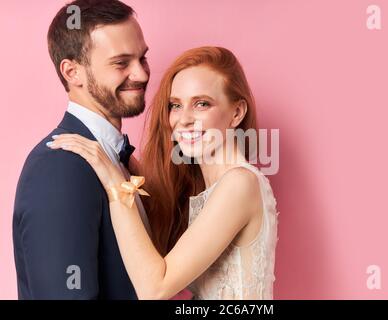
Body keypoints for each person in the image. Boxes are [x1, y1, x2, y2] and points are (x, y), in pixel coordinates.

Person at [49, 46, 279, 299]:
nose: (184, 119)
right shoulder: (210, 187)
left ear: (236, 113)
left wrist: (117, 186)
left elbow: (154, 288)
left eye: (202, 104)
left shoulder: (240, 183)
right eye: (175, 105)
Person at [13, 0, 150, 299]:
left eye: (143, 58)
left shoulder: (120, 161)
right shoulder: (60, 166)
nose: (141, 74)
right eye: (121, 63)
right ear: (72, 72)